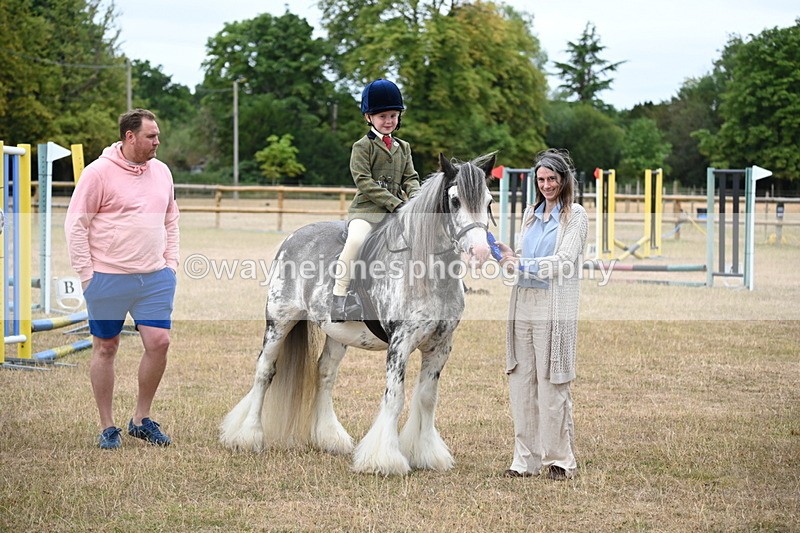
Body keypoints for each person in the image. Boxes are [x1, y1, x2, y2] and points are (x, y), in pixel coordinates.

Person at [65, 108, 180, 450]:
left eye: (157, 135)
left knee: (159, 343)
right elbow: (76, 225)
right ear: (130, 136)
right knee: (106, 348)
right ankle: (107, 426)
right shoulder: (98, 173)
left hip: (155, 278)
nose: (157, 141)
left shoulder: (161, 172)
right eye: (151, 136)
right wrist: (88, 277)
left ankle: (141, 420)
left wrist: (170, 263)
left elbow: (171, 219)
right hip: (108, 277)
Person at [495, 148, 589, 480]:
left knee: (552, 383)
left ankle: (560, 460)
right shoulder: (530, 214)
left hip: (553, 307)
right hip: (522, 305)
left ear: (563, 180)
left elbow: (564, 262)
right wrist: (507, 257)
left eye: (552, 179)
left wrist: (523, 264)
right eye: (541, 179)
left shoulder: (575, 215)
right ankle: (525, 460)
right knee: (521, 381)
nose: (546, 184)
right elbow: (521, 258)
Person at [331, 79, 420, 321]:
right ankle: (339, 297)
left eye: (393, 115)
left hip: (398, 213)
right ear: (368, 118)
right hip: (367, 212)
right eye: (382, 116)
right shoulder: (362, 147)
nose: (389, 121)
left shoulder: (404, 147)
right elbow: (364, 183)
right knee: (357, 241)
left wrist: (416, 199)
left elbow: (410, 177)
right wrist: (397, 203)